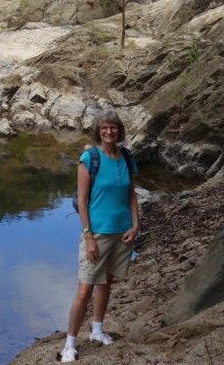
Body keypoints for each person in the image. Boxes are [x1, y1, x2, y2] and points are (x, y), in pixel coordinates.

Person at [60, 110, 140, 363]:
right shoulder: (89, 158)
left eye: (114, 128)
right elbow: (81, 202)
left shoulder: (126, 157)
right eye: (105, 128)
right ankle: (69, 344)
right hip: (97, 233)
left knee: (106, 284)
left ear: (119, 130)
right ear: (98, 131)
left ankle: (97, 330)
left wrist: (135, 225)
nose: (109, 132)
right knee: (85, 290)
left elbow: (131, 194)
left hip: (122, 231)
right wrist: (89, 237)